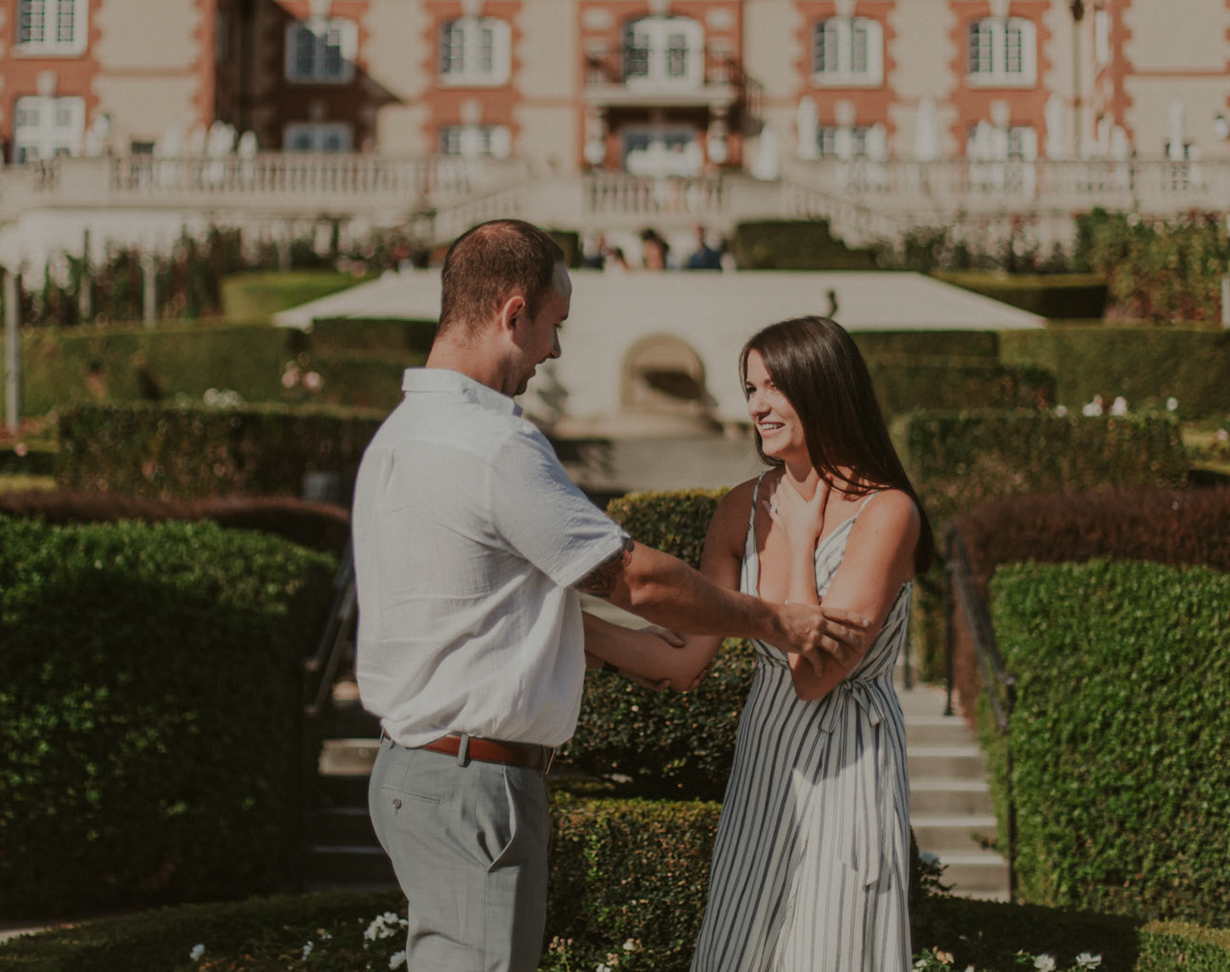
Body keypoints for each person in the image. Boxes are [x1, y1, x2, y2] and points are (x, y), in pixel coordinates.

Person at [353, 223, 867, 972]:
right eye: (553, 327)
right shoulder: (489, 443)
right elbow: (636, 579)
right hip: (473, 781)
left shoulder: (398, 436)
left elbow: (476, 604)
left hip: (417, 771)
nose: (553, 352)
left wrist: (570, 631)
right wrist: (774, 619)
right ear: (513, 312)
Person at [582, 315, 929, 972]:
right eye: (750, 389)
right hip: (764, 763)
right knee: (740, 951)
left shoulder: (888, 513)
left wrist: (799, 541)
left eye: (775, 387)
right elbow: (685, 659)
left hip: (847, 769)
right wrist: (568, 628)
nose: (758, 405)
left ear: (823, 388)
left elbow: (815, 674)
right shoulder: (738, 508)